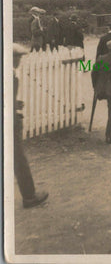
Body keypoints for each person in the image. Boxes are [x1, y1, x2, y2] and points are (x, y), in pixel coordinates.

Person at [13, 43, 49, 208]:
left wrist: (14, 103)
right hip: (10, 123)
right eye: (17, 57)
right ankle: (29, 196)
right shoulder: (11, 75)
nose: (19, 60)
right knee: (19, 159)